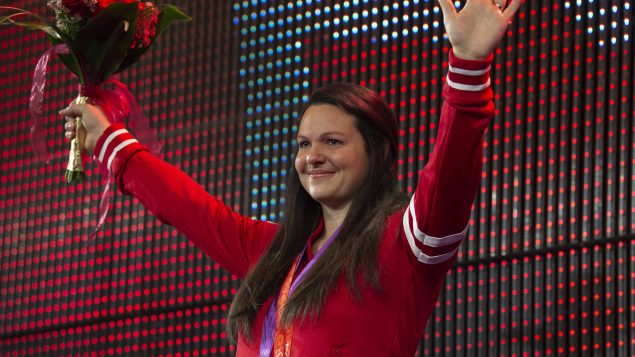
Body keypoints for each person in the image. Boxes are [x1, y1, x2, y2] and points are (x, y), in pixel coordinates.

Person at [61, 0, 521, 355]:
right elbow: (189, 208)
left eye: (333, 142)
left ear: (377, 152)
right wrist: (108, 140)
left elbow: (451, 177)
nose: (313, 157)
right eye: (304, 144)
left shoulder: (404, 243)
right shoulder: (274, 253)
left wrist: (468, 67)